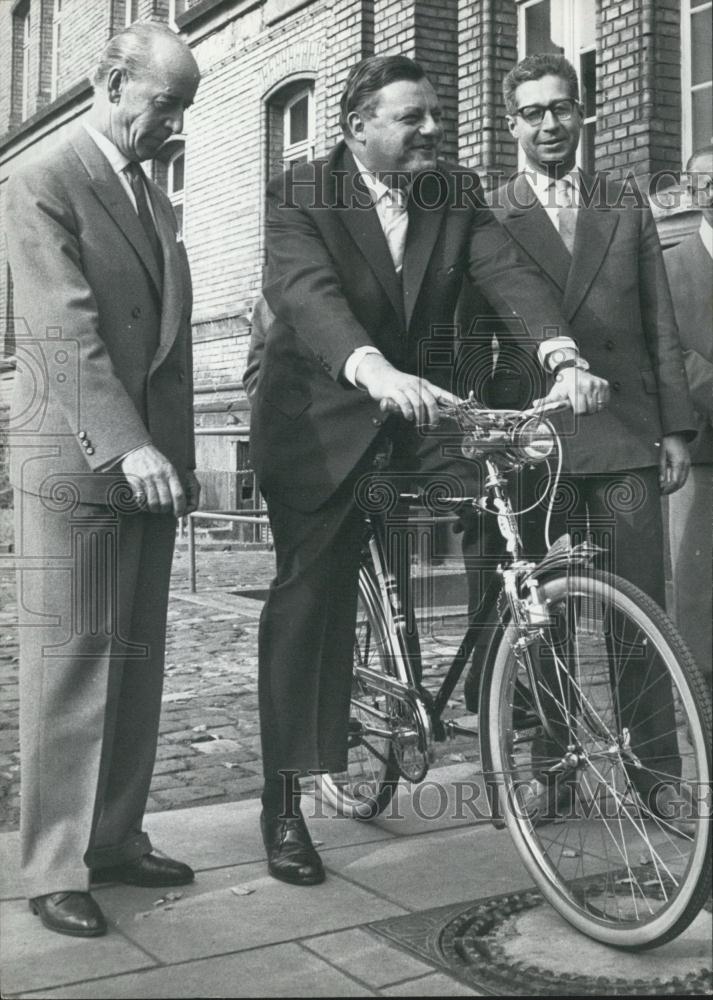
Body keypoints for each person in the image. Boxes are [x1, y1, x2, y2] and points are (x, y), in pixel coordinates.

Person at [249, 54, 610, 887]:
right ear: (357, 129)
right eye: (411, 117)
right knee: (312, 594)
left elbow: (506, 273)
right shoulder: (301, 195)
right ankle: (283, 802)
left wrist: (560, 354)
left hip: (424, 410)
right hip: (324, 416)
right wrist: (372, 369)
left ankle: (507, 687)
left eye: (434, 114)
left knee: (516, 480)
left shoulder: (452, 189)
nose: (432, 130)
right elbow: (307, 296)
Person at [460, 52, 696, 819]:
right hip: (540, 447)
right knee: (543, 617)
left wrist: (671, 429)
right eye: (532, 112)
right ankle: (549, 763)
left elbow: (657, 323)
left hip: (625, 435)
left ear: (581, 112)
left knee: (640, 614)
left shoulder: (619, 200)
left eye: (561, 108)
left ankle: (654, 769)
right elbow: (480, 342)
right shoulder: (490, 212)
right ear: (511, 124)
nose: (549, 124)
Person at [5, 22, 201, 938]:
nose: (171, 128)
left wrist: (170, 453)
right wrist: (130, 445)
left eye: (183, 112)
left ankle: (114, 837)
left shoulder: (152, 196)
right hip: (82, 458)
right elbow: (60, 328)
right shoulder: (41, 180)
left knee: (135, 657)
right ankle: (53, 863)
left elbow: (166, 345)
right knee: (73, 661)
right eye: (163, 107)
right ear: (111, 81)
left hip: (148, 464)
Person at [664, 146, 713, 677]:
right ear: (688, 190)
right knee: (700, 587)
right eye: (705, 182)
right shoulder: (671, 264)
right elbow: (669, 351)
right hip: (703, 449)